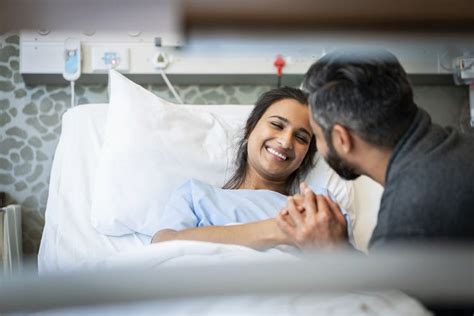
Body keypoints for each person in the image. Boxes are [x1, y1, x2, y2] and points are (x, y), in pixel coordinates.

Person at [276, 49, 474, 250]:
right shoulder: (460, 147)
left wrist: (330, 252)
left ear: (341, 139)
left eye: (316, 136)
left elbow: (390, 280)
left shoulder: (407, 223)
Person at [151, 87, 353, 250]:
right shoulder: (196, 196)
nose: (285, 141)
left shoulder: (317, 204)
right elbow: (162, 245)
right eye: (277, 125)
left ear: (306, 156)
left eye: (301, 137)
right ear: (250, 129)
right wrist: (278, 230)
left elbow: (353, 273)